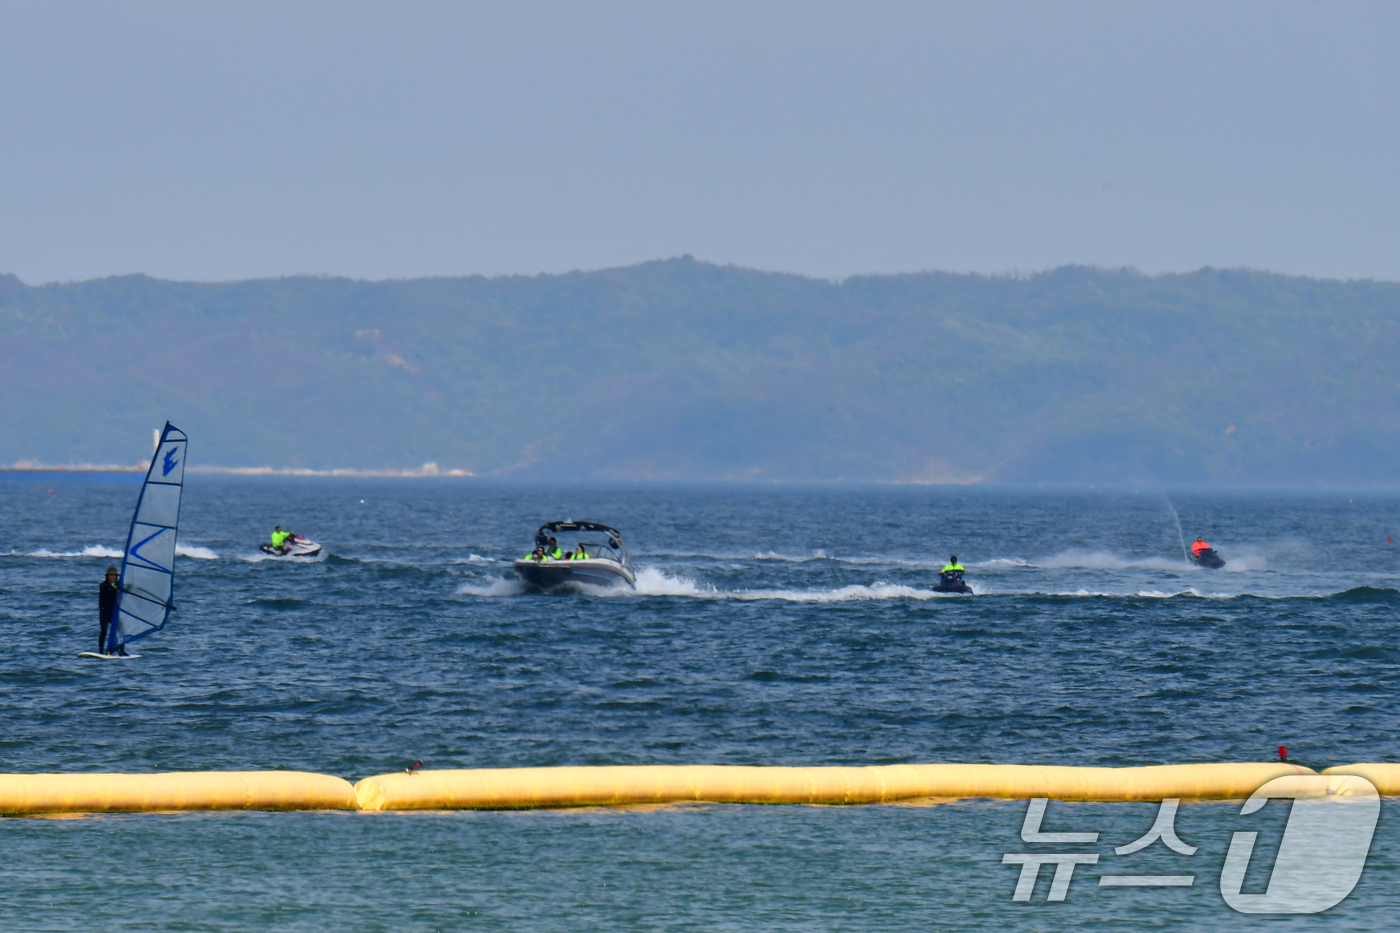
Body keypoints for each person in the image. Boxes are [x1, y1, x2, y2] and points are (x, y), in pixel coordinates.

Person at [98, 566, 128, 656]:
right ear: (107, 576)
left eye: (114, 575)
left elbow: (125, 588)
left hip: (114, 613)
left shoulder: (119, 585)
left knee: (122, 631)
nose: (112, 577)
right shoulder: (103, 585)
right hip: (104, 612)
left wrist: (131, 587)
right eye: (110, 575)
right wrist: (113, 585)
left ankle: (121, 650)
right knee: (104, 631)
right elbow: (106, 587)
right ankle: (101, 651)